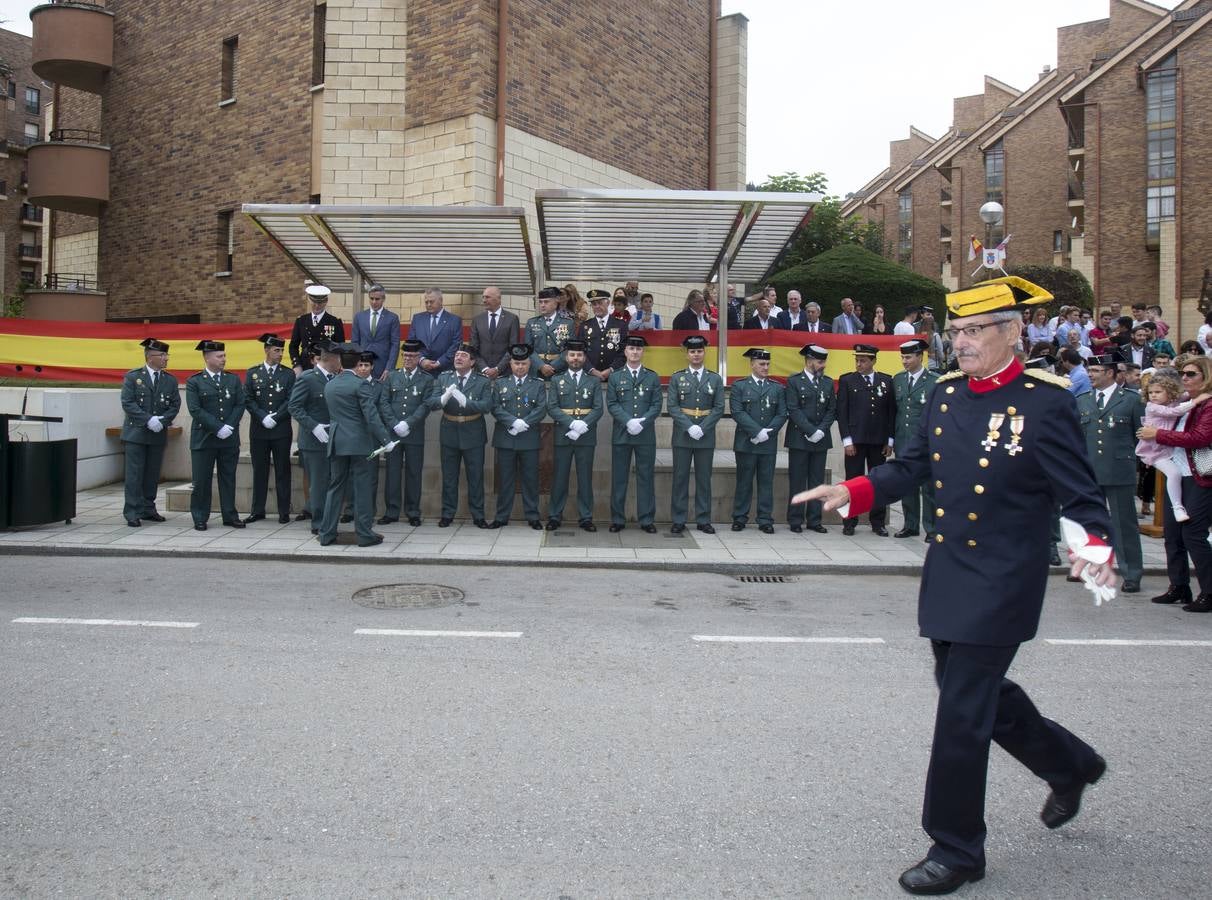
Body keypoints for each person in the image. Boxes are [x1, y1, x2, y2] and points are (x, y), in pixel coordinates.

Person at [793, 276, 1116, 896]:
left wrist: (1093, 549)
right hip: (950, 570)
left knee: (962, 710)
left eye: (974, 332)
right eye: (956, 332)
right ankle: (1071, 764)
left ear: (1011, 333)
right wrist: (854, 491)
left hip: (1003, 577)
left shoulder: (1045, 402)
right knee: (971, 691)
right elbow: (912, 466)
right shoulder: (945, 396)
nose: (961, 344)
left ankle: (957, 846)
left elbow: (1080, 492)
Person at [1138, 354, 1212, 612]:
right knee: (1173, 534)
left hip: (1201, 476)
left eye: (1191, 374)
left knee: (1193, 533)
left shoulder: (1208, 404)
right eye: (1183, 373)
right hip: (1178, 473)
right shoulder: (1187, 402)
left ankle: (1210, 592)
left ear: (1206, 377)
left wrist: (1157, 434)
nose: (1185, 378)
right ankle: (1179, 586)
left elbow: (1200, 437)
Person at [1077, 353, 1145, 593]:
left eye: (1095, 371)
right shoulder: (1083, 400)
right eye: (1089, 371)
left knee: (1123, 523)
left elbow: (1142, 436)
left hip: (1119, 471)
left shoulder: (1131, 400)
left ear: (1110, 373)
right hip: (1090, 471)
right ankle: (1090, 568)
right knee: (1090, 524)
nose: (1090, 375)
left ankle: (1131, 573)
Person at [316, 345, 395, 548]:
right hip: (359, 443)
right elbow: (371, 416)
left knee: (335, 487)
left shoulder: (331, 385)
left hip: (337, 441)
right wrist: (386, 440)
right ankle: (364, 534)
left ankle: (326, 533)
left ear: (341, 362)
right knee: (362, 489)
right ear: (357, 363)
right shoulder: (361, 385)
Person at [428, 342, 492, 528]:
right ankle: (448, 513)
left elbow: (486, 406)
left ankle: (478, 515)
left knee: (476, 477)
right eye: (457, 355)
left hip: (473, 432)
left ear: (472, 362)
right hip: (449, 430)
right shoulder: (444, 378)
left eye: (463, 355)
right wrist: (442, 399)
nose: (458, 358)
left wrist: (467, 402)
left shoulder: (482, 381)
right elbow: (431, 403)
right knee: (449, 477)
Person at [667, 334, 725, 535]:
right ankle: (678, 519)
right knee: (680, 478)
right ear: (687, 354)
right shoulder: (677, 377)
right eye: (692, 351)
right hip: (683, 435)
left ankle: (703, 519)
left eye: (699, 351)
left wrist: (703, 427)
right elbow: (673, 407)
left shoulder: (714, 378)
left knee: (703, 479)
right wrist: (689, 427)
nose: (696, 355)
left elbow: (719, 408)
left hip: (705, 435)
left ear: (704, 352)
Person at [185, 339, 246, 531]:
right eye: (220, 356)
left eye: (224, 355)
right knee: (201, 480)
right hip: (205, 438)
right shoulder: (194, 381)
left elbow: (239, 404)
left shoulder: (232, 379)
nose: (224, 359)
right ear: (207, 357)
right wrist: (217, 427)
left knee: (228, 478)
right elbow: (195, 409)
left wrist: (229, 426)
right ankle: (200, 516)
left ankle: (229, 514)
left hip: (228, 438)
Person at [835, 344, 895, 536]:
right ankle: (849, 521)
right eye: (857, 360)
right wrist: (846, 440)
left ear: (873, 361)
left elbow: (891, 413)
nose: (859, 364)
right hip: (855, 441)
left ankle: (877, 522)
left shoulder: (886, 381)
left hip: (878, 441)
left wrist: (890, 441)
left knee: (879, 482)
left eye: (863, 360)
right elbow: (842, 413)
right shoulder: (847, 381)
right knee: (853, 482)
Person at [119, 338, 179, 527]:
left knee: (152, 474)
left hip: (157, 433)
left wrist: (163, 421)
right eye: (162, 355)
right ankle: (132, 511)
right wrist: (148, 419)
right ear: (149, 357)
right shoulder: (133, 377)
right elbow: (128, 403)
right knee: (134, 474)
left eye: (166, 355)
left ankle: (148, 508)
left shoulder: (169, 380)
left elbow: (175, 404)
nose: (165, 358)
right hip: (136, 434)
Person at [546, 338, 602, 531]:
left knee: (585, 478)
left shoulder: (593, 381)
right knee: (559, 477)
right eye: (572, 355)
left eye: (579, 355)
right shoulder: (556, 380)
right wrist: (572, 424)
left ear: (584, 357)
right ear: (565, 357)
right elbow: (552, 407)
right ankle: (554, 515)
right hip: (563, 434)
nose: (575, 358)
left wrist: (582, 425)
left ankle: (586, 517)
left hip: (586, 436)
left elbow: (598, 409)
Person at [606, 335, 662, 533]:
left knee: (646, 476)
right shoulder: (615, 377)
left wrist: (642, 422)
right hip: (622, 433)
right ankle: (617, 519)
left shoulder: (652, 377)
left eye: (638, 349)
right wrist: (628, 421)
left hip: (645, 435)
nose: (635, 352)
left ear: (642, 352)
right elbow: (612, 404)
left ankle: (646, 519)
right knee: (619, 477)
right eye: (631, 349)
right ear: (625, 352)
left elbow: (657, 404)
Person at [489, 343, 548, 529]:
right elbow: (495, 407)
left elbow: (541, 408)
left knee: (530, 480)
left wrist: (525, 423)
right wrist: (512, 422)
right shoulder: (500, 383)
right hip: (506, 438)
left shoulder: (537, 385)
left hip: (529, 439)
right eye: (516, 363)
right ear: (511, 364)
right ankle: (501, 517)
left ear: (529, 364)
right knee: (505, 480)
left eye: (523, 363)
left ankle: (533, 516)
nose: (520, 367)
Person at [1136, 373, 1208, 523]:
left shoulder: (1172, 401)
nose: (1153, 396)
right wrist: (1196, 401)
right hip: (1154, 451)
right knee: (1174, 474)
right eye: (1150, 393)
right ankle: (1177, 507)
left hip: (1168, 448)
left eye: (1158, 392)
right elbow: (1174, 412)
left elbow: (1184, 396)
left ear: (1169, 392)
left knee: (1178, 474)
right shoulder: (1152, 406)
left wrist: (1198, 392)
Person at [730, 347, 787, 533]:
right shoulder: (740, 386)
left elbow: (781, 414)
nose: (765, 367)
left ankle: (764, 519)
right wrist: (756, 432)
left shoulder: (777, 388)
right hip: (746, 443)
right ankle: (739, 518)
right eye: (762, 364)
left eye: (768, 364)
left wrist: (766, 433)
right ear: (752, 364)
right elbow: (737, 412)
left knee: (766, 483)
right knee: (743, 482)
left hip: (767, 444)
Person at [377, 338, 433, 526]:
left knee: (414, 473)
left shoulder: (426, 379)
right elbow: (384, 402)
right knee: (392, 472)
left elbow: (426, 405)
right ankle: (391, 511)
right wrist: (394, 424)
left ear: (419, 357)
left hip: (414, 433)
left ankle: (413, 511)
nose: (407, 359)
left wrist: (408, 424)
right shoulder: (392, 376)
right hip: (393, 434)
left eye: (412, 356)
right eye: (405, 355)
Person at [243, 333, 294, 524]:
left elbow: (291, 400)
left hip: (280, 429)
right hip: (259, 430)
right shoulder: (253, 373)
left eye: (281, 350)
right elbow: (247, 398)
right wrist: (262, 416)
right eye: (276, 350)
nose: (280, 354)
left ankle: (283, 511)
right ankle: (257, 510)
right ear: (266, 350)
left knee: (283, 470)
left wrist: (277, 417)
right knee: (260, 470)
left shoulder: (288, 374)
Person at [784, 344, 835, 534]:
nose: (822, 366)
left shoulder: (828, 383)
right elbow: (793, 409)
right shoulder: (794, 382)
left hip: (821, 439)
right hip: (799, 438)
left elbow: (831, 410)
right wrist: (810, 430)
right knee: (797, 480)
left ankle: (814, 520)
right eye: (819, 362)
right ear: (809, 361)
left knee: (817, 481)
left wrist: (820, 430)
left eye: (824, 362)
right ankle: (795, 519)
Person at [893, 339, 939, 540]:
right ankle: (910, 524)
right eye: (902, 357)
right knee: (906, 485)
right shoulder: (898, 380)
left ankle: (931, 527)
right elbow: (897, 411)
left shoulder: (935, 381)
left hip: (927, 443)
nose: (904, 361)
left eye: (908, 357)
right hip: (904, 441)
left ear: (920, 357)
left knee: (929, 488)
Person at [350, 283, 400, 380]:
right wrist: (355, 366)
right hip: (362, 366)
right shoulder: (359, 317)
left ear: (383, 299)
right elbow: (354, 343)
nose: (374, 302)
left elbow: (395, 345)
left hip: (383, 367)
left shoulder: (392, 318)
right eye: (371, 298)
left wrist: (389, 368)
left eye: (377, 299)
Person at [289, 284, 344, 372]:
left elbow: (340, 347)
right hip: (305, 365)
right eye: (314, 302)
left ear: (326, 301)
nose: (317, 306)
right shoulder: (301, 321)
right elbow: (293, 346)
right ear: (309, 300)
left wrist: (336, 366)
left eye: (320, 303)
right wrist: (297, 364)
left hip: (326, 366)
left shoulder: (334, 322)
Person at [469, 285, 520, 380]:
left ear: (498, 298)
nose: (484, 300)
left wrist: (498, 368)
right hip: (481, 373)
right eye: (483, 297)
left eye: (487, 297)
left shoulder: (512, 319)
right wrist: (484, 368)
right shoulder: (477, 320)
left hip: (504, 373)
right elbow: (473, 348)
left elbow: (513, 347)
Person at [410, 287, 462, 374]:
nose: (429, 304)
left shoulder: (454, 320)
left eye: (431, 301)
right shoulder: (417, 319)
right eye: (426, 302)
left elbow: (455, 345)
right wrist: (422, 360)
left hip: (445, 371)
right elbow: (412, 343)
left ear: (441, 301)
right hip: (421, 371)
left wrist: (439, 362)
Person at [527, 285, 575, 379]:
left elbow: (570, 348)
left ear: (556, 302)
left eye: (546, 302)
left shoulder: (568, 323)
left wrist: (554, 366)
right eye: (540, 302)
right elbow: (528, 348)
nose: (542, 305)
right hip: (537, 371)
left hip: (559, 371)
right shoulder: (532, 322)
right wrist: (541, 366)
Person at [580, 288, 627, 381]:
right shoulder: (585, 326)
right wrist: (592, 370)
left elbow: (624, 352)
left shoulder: (620, 325)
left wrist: (611, 369)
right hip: (590, 376)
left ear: (608, 303)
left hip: (614, 376)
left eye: (600, 303)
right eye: (594, 304)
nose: (597, 306)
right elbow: (580, 352)